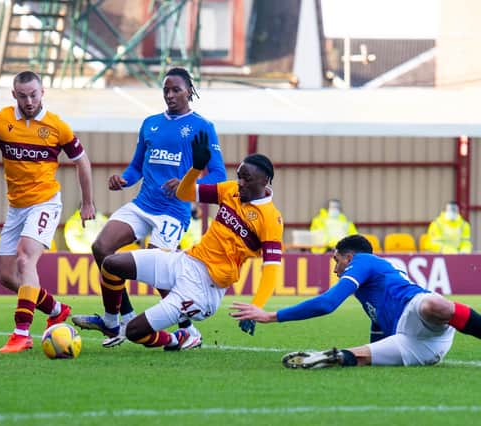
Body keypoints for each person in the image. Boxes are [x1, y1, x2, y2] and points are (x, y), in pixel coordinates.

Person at [71, 67, 227, 349]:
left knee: (158, 269)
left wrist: (185, 182)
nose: (169, 95)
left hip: (174, 211)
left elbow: (219, 176)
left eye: (176, 89)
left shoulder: (203, 127)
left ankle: (188, 329)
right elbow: (136, 167)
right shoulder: (150, 124)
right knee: (101, 248)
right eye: (166, 90)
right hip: (143, 204)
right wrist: (123, 179)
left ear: (189, 90)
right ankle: (114, 319)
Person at [83, 134, 283, 351]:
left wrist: (256, 307)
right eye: (239, 177)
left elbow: (271, 270)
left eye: (246, 179)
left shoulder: (271, 219)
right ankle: (112, 323)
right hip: (185, 261)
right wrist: (196, 168)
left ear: (264, 181)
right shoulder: (231, 190)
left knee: (133, 331)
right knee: (111, 264)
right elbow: (184, 192)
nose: (240, 183)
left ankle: (179, 338)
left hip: (204, 289)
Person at [0, 71, 95, 353]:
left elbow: (82, 162)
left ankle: (21, 333)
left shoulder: (57, 127)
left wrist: (87, 202)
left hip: (45, 202)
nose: (29, 101)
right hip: (16, 207)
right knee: (5, 276)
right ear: (14, 94)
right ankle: (55, 308)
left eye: (34, 94)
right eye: (23, 95)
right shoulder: (0, 121)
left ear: (43, 92)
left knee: (26, 260)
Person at [230, 234, 481, 368]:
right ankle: (329, 358)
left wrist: (271, 316)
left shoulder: (365, 261)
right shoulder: (367, 289)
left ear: (349, 258)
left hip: (419, 316)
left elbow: (327, 304)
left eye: (336, 261)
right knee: (351, 357)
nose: (335, 269)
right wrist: (371, 350)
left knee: (433, 305)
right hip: (418, 346)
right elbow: (378, 325)